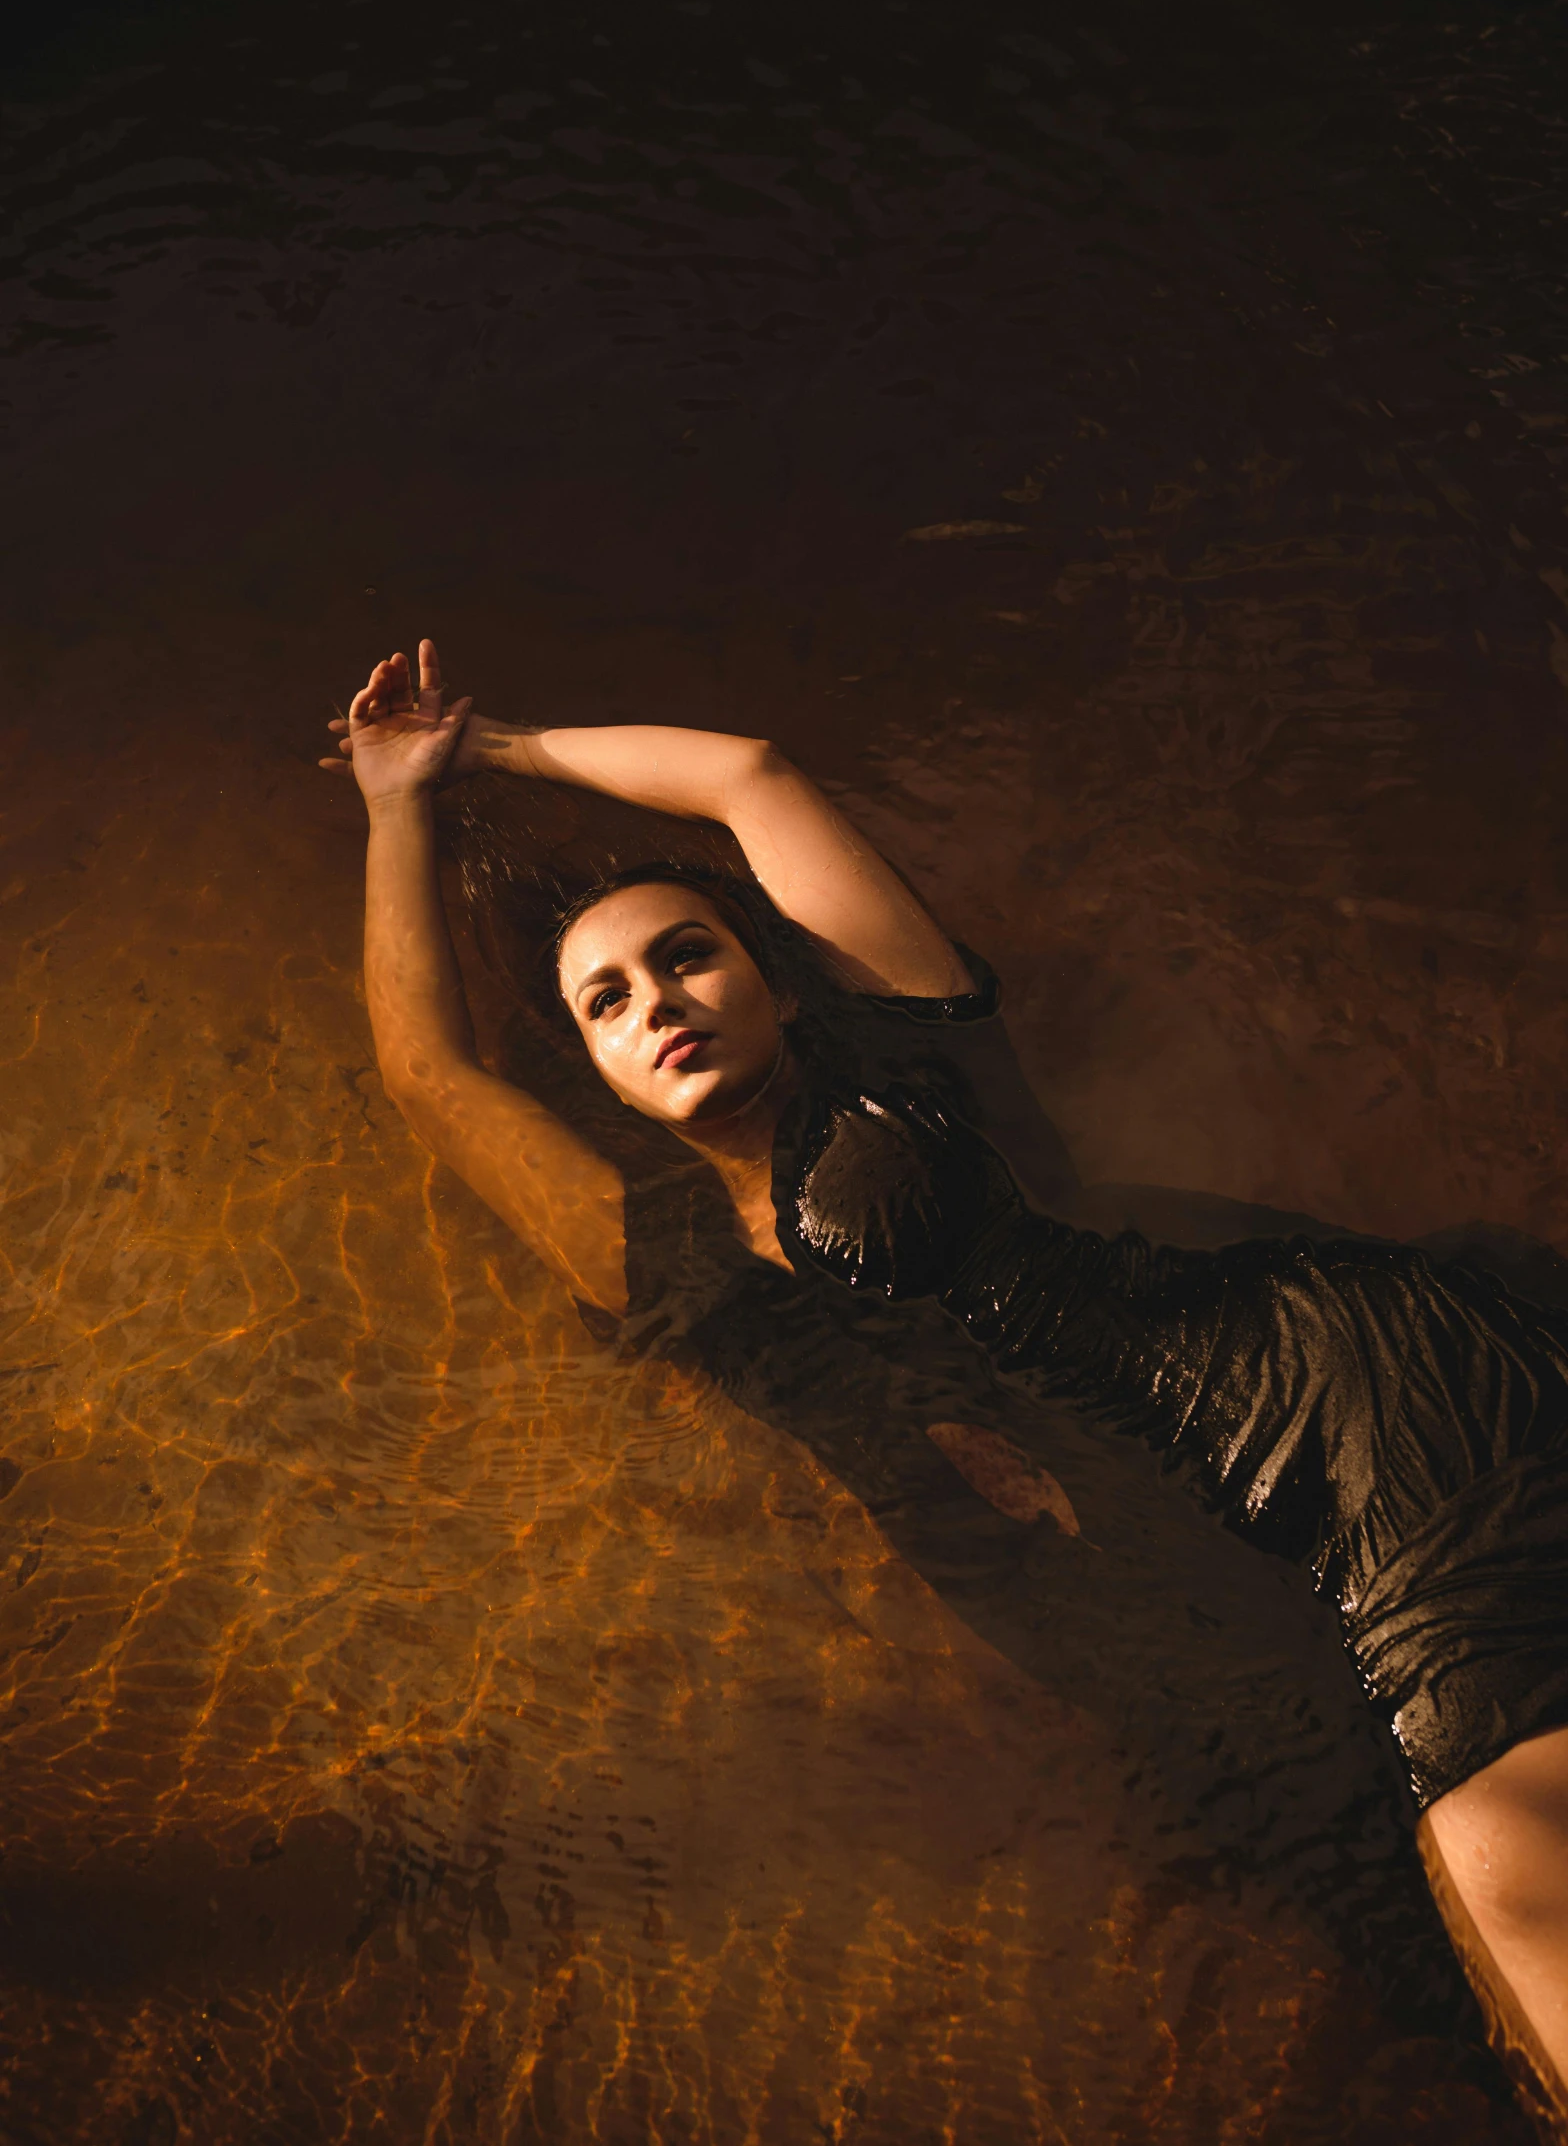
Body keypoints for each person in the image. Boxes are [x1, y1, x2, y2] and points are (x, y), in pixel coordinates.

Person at [322, 637, 1568, 2126]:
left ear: (767, 976)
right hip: (1128, 1606)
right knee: (1405, 1943)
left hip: (1324, 1408)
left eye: (687, 954)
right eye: (603, 1000)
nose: (657, 1000)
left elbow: (748, 776)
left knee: (1505, 1877)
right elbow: (431, 1079)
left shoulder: (909, 1057)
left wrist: (493, 745)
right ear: (594, 1069)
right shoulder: (651, 1261)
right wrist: (397, 809)